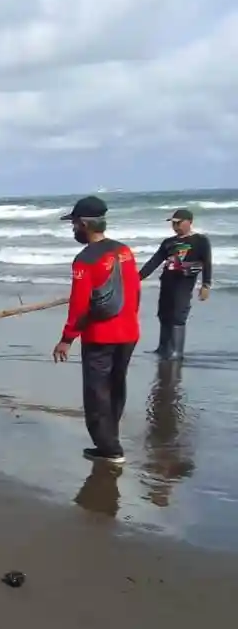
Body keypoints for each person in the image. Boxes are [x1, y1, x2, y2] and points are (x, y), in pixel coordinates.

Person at [51, 196, 141, 465]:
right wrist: (130, 320)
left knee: (97, 392)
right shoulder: (124, 250)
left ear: (84, 224)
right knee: (116, 387)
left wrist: (66, 339)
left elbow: (79, 306)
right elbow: (134, 289)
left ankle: (109, 449)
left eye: (75, 224)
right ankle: (111, 439)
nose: (73, 229)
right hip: (129, 333)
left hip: (101, 336)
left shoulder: (85, 260)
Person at [138, 209, 212, 361]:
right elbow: (154, 261)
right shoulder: (168, 242)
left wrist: (206, 284)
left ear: (189, 222)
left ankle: (177, 351)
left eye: (179, 223)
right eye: (173, 223)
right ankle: (163, 347)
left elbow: (207, 263)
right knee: (163, 314)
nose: (175, 226)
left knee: (178, 314)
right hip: (167, 281)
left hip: (184, 282)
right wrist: (137, 277)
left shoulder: (200, 241)